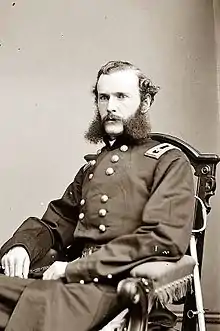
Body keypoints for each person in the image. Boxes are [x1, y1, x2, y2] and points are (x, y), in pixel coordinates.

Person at [0, 60, 194, 331]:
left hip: (118, 288)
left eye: (121, 96)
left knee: (44, 302)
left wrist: (73, 270)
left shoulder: (169, 162)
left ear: (145, 102)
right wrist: (22, 246)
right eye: (104, 97)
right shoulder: (92, 168)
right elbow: (56, 222)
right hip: (72, 283)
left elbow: (163, 239)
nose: (110, 107)